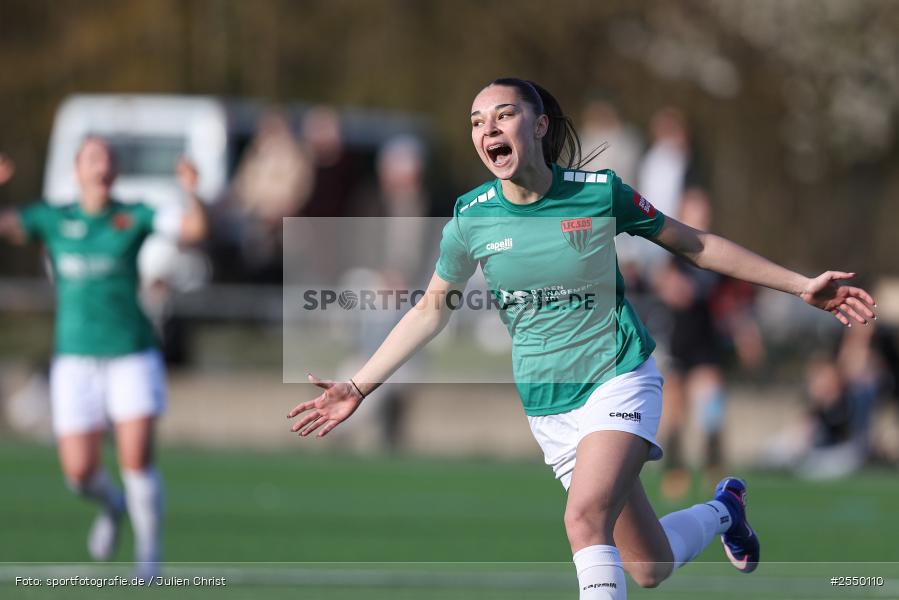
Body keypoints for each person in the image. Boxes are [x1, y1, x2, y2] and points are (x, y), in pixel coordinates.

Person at [286, 78, 876, 599]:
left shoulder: (598, 192)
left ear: (539, 125)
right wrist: (359, 385)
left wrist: (801, 286)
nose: (487, 128)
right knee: (649, 566)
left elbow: (694, 243)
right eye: (476, 121)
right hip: (549, 407)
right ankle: (726, 511)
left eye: (503, 114)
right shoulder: (470, 219)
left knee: (583, 519)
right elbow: (428, 313)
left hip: (619, 377)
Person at [0, 138, 208, 578]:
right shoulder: (52, 219)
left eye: (109, 159)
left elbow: (193, 230)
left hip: (131, 355)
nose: (103, 167)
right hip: (75, 360)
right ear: (77, 170)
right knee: (78, 473)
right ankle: (112, 506)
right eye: (93, 158)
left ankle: (149, 559)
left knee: (136, 462)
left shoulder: (132, 215)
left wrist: (192, 190)